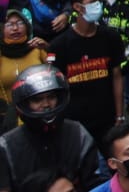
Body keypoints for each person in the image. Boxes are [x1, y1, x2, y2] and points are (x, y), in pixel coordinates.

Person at [0, 64, 98, 192]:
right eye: (37, 100)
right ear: (25, 104)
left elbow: (97, 184)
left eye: (51, 97)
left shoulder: (78, 133)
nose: (46, 105)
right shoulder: (6, 146)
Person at [47, 0, 125, 142]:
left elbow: (117, 76)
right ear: (78, 7)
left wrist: (120, 115)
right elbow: (56, 86)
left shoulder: (111, 38)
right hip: (74, 122)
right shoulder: (59, 45)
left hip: (107, 118)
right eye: (92, 2)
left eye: (100, 1)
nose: (98, 6)